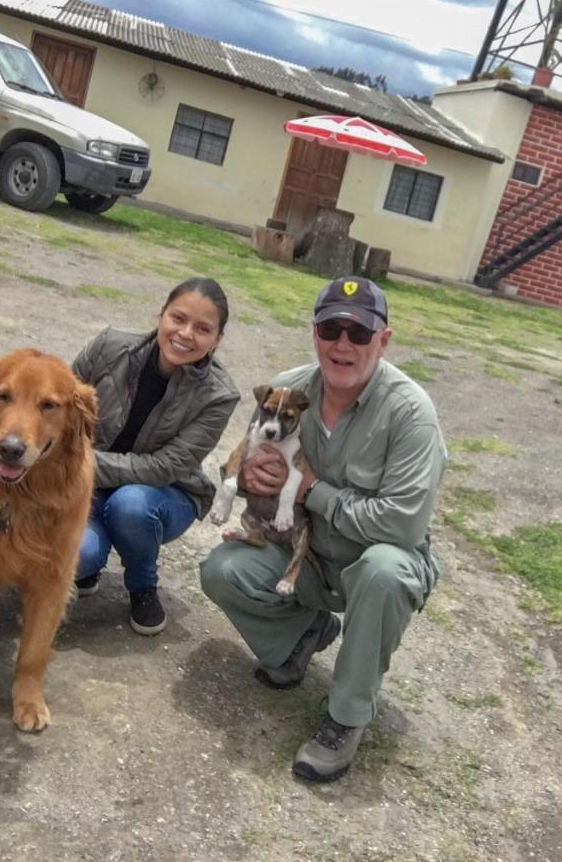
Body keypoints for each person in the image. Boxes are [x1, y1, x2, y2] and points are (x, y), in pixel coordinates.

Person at [199, 275, 445, 783]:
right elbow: (250, 463)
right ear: (315, 333)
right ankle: (300, 639)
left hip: (375, 558)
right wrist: (247, 479)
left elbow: (400, 523)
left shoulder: (410, 412)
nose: (342, 344)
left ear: (384, 338)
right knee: (222, 569)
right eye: (331, 328)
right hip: (305, 553)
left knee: (383, 572)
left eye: (359, 333)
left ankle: (345, 718)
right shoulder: (288, 388)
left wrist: (313, 492)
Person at [72, 277, 239, 636]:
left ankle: (142, 584)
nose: (185, 333)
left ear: (217, 339)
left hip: (164, 492)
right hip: (88, 485)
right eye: (178, 318)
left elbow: (167, 466)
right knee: (78, 557)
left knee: (130, 505)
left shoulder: (219, 396)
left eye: (203, 328)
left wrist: (78, 465)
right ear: (160, 315)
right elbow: (58, 407)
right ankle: (89, 568)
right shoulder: (109, 346)